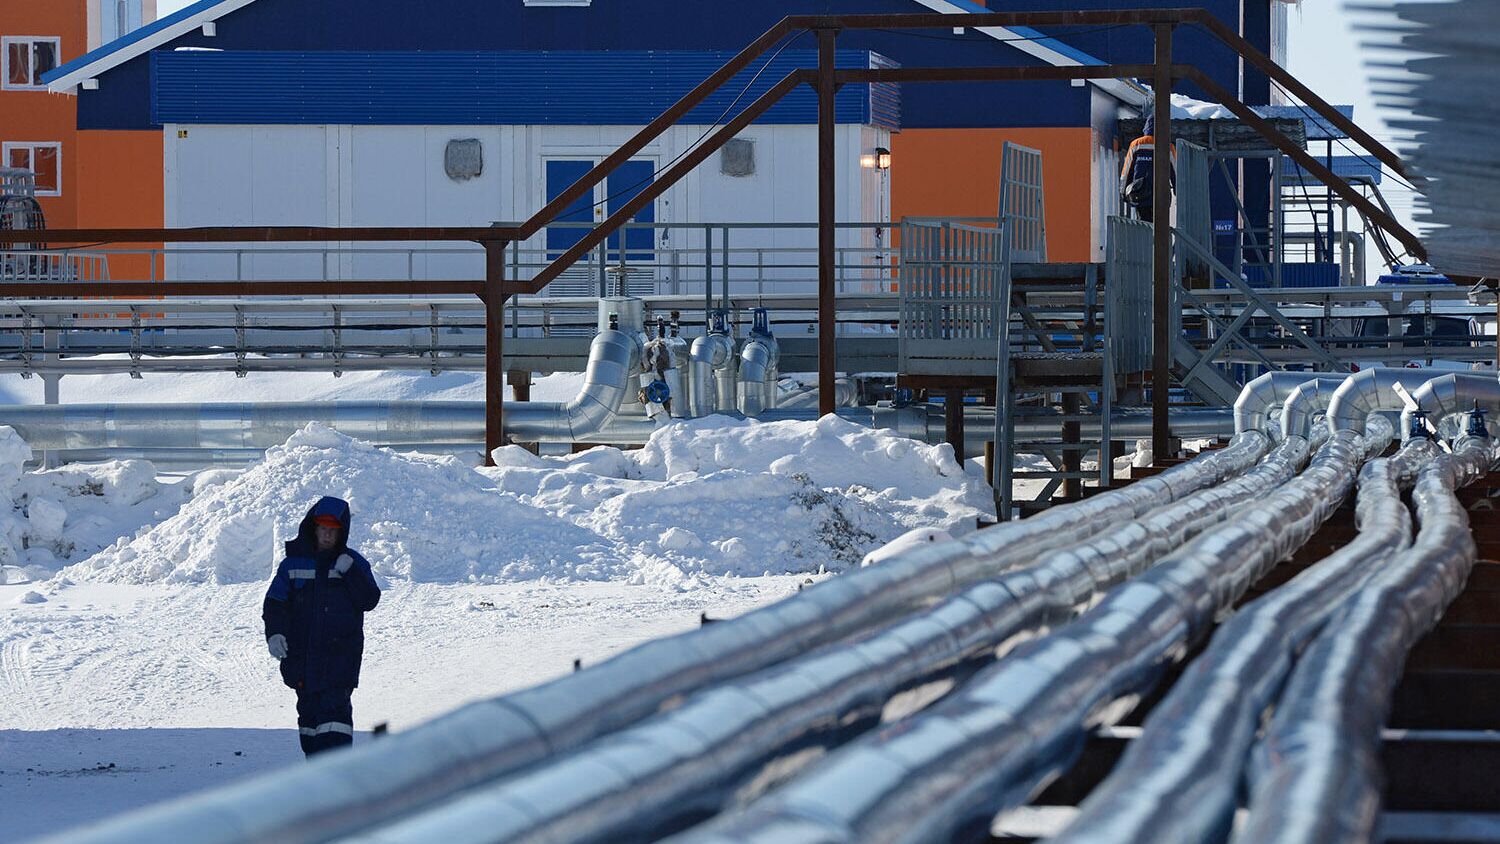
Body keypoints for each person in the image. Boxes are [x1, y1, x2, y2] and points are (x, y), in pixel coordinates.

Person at [262, 496, 381, 758]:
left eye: (333, 530)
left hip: (339, 662)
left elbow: (369, 600)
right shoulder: (292, 565)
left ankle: (336, 779)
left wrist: (350, 573)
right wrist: (275, 633)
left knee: (335, 722)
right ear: (313, 529)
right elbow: (275, 604)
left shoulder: (353, 563)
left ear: (341, 533)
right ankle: (317, 776)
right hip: (301, 662)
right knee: (309, 722)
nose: (327, 535)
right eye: (323, 529)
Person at [1120, 108, 1176, 222]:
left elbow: (1126, 171)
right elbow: (1176, 172)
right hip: (1162, 195)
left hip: (1140, 193)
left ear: (1146, 127)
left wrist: (1123, 191)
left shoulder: (1136, 144)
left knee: (1144, 225)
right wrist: (1177, 191)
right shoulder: (1168, 146)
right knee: (1161, 226)